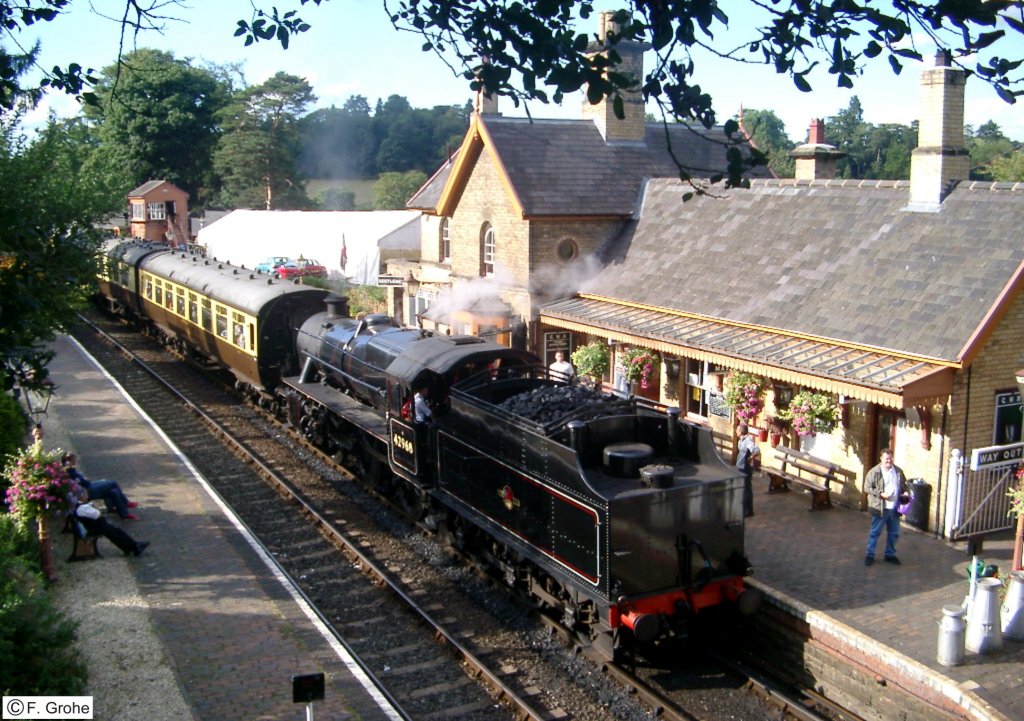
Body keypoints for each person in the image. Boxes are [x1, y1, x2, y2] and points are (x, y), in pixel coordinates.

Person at [69, 486, 149, 557]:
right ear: (82, 497)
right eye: (86, 494)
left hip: (95, 526)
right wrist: (97, 508)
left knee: (116, 531)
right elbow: (98, 514)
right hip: (95, 528)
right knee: (115, 532)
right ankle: (134, 547)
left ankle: (132, 547)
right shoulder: (83, 507)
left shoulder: (80, 506)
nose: (87, 496)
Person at [62, 452, 140, 521]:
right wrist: (82, 477)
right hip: (86, 491)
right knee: (113, 483)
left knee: (113, 491)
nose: (75, 461)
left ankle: (123, 514)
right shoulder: (70, 471)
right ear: (69, 461)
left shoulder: (71, 469)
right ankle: (126, 503)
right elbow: (84, 482)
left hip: (87, 486)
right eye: (74, 459)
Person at [864, 449, 909, 566]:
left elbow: (904, 486)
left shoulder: (898, 471)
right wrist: (880, 494)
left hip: (895, 508)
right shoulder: (874, 472)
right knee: (875, 532)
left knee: (894, 533)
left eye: (891, 458)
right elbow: (867, 487)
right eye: (886, 459)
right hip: (881, 508)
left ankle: (890, 554)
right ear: (881, 459)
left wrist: (905, 492)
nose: (889, 461)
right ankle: (870, 555)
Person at [735, 423, 760, 518]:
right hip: (740, 467)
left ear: (740, 432)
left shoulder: (747, 441)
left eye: (737, 430)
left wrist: (750, 457)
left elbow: (756, 450)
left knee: (746, 488)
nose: (736, 431)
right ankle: (743, 507)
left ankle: (748, 510)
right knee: (743, 487)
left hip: (745, 468)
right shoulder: (741, 440)